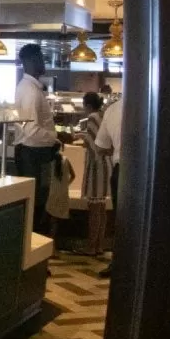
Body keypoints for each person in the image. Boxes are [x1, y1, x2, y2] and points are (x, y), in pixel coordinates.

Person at [12, 43, 59, 235]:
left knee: (37, 206)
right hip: (32, 154)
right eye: (41, 58)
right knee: (35, 207)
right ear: (31, 60)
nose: (43, 62)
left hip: (33, 154)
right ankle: (33, 247)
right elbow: (31, 131)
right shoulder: (30, 91)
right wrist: (56, 137)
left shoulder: (29, 87)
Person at [94, 92, 124, 276]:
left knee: (121, 218)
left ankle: (119, 263)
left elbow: (100, 146)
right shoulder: (152, 106)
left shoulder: (113, 110)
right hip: (148, 170)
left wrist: (115, 150)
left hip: (121, 170)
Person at [78, 91, 111, 254]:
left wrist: (80, 138)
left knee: (94, 209)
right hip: (106, 165)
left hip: (96, 167)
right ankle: (99, 245)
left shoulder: (92, 118)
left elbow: (92, 144)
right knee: (102, 209)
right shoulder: (103, 115)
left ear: (88, 105)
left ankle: (91, 246)